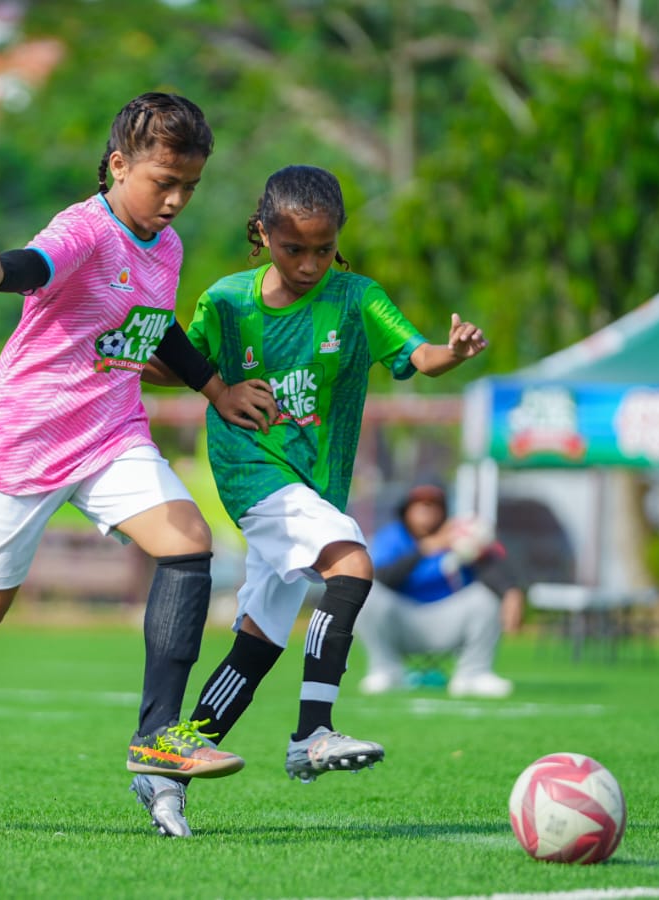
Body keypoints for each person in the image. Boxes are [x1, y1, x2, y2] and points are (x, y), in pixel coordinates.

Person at [0, 93, 281, 823]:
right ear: (116, 166)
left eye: (188, 187)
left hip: (110, 434)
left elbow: (155, 327)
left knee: (187, 543)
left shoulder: (165, 247)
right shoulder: (85, 227)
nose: (174, 200)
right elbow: (37, 265)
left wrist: (216, 389)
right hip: (24, 441)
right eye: (162, 181)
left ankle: (158, 736)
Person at [142, 164, 488, 836]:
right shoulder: (227, 301)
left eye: (323, 250)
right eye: (293, 248)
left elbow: (417, 357)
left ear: (338, 242)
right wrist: (124, 347)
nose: (309, 263)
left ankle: (165, 771)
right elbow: (179, 366)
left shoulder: (358, 300)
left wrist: (454, 352)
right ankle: (312, 732)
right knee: (352, 564)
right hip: (251, 473)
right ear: (263, 233)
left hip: (311, 486)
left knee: (259, 643)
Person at [356, 482, 518, 699]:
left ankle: (473, 674)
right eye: (421, 505)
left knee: (486, 596)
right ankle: (386, 671)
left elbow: (494, 575)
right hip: (402, 620)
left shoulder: (460, 536)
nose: (427, 511)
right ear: (408, 510)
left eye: (433, 506)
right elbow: (385, 577)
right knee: (367, 592)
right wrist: (428, 547)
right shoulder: (392, 536)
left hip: (447, 619)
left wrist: (510, 590)